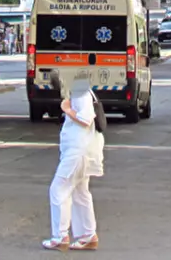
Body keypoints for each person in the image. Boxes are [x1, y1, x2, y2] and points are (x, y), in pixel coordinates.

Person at [43, 74, 104, 251]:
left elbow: (86, 119)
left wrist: (67, 109)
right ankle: (88, 235)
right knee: (80, 192)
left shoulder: (80, 94)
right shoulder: (84, 92)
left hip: (77, 152)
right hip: (84, 150)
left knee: (58, 189)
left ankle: (60, 236)